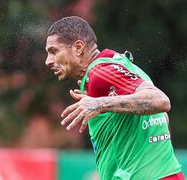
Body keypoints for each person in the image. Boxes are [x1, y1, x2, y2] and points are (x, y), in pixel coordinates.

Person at [45, 16, 184, 180]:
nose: (48, 61)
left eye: (54, 51)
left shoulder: (100, 72)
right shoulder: (118, 65)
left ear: (78, 47)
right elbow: (162, 118)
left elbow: (160, 101)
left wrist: (99, 103)